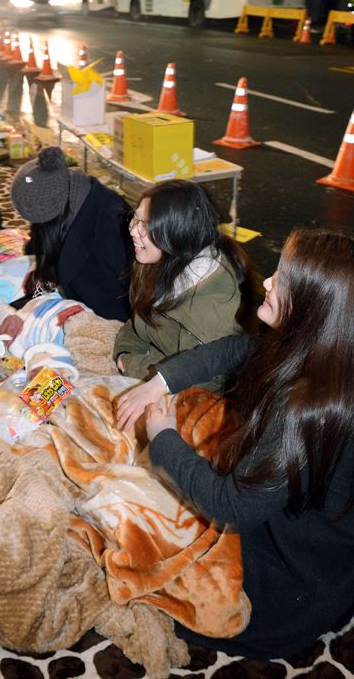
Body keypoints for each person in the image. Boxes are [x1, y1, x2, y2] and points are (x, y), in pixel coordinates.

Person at [136, 229, 354, 659]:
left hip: (292, 584)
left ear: (314, 306)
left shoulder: (302, 408)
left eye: (284, 279)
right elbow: (239, 349)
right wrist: (161, 380)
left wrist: (163, 435)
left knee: (136, 545)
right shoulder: (329, 354)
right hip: (330, 561)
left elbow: (231, 505)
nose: (269, 282)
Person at [115, 179, 250, 424]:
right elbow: (137, 324)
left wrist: (132, 363)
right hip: (159, 381)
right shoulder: (163, 264)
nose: (134, 230)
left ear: (177, 232)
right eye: (135, 219)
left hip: (200, 409)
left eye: (146, 225)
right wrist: (125, 352)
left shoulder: (210, 303)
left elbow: (204, 380)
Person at [10, 146, 132, 322]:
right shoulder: (76, 191)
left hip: (111, 323)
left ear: (48, 221)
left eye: (36, 221)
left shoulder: (100, 240)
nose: (33, 227)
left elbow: (111, 313)